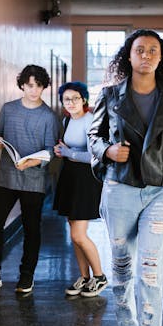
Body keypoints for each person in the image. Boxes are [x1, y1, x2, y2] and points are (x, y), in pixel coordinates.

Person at [88, 29, 163, 326]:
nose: (145, 55)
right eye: (139, 50)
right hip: (119, 192)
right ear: (128, 56)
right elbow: (93, 136)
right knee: (122, 270)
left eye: (153, 50)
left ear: (161, 58)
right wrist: (107, 152)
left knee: (150, 270)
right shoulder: (110, 96)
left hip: (158, 194)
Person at [0, 65, 58, 294]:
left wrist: (31, 162)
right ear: (22, 85)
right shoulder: (8, 109)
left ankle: (26, 276)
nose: (34, 90)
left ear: (43, 87)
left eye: (39, 86)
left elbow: (51, 151)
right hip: (6, 177)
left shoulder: (49, 116)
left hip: (34, 180)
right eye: (30, 85)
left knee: (31, 229)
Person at [53, 81, 108, 298]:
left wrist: (69, 154)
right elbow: (70, 149)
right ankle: (85, 278)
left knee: (79, 234)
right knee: (73, 234)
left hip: (86, 180)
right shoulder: (67, 120)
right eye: (67, 99)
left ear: (84, 99)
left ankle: (100, 276)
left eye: (76, 98)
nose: (71, 102)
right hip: (69, 177)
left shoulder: (90, 121)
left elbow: (95, 155)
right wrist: (62, 151)